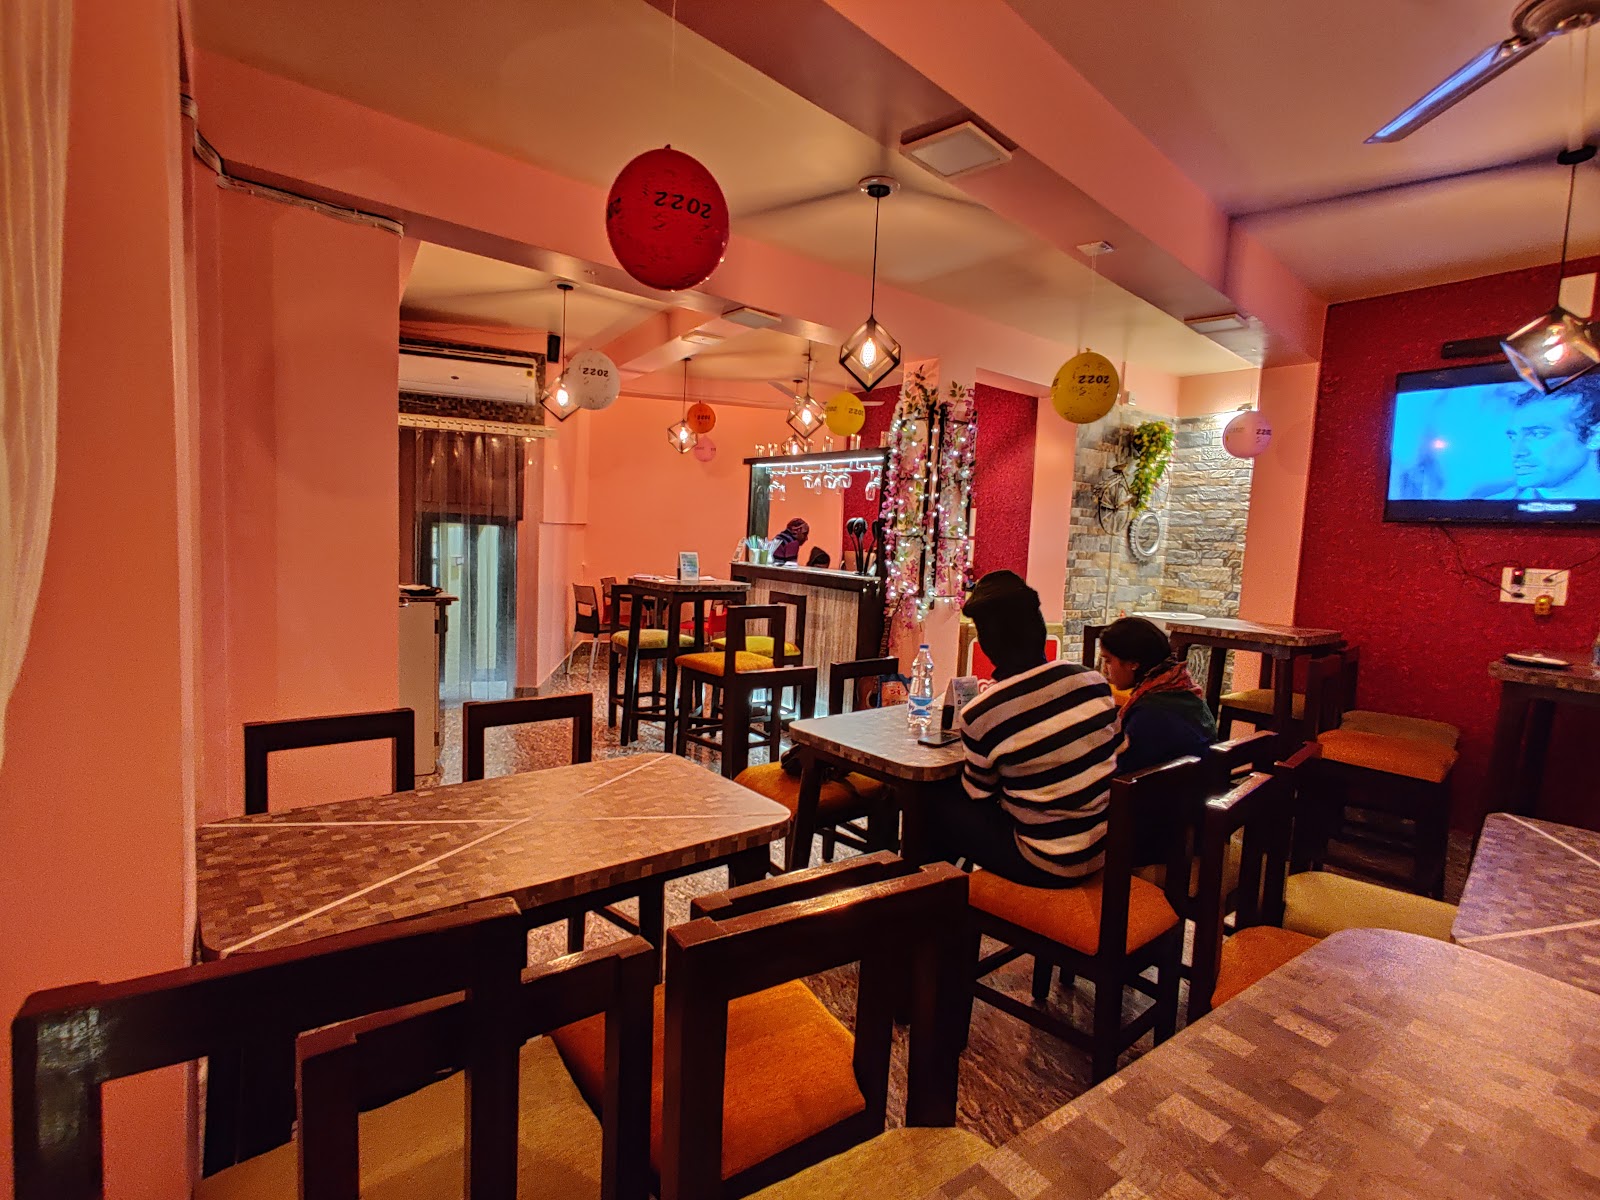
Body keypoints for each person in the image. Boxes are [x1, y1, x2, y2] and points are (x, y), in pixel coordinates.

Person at [926, 570, 1122, 886]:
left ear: (986, 644)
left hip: (1046, 862)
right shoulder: (1092, 681)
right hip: (1101, 849)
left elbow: (978, 793)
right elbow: (1117, 752)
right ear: (1040, 628)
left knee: (935, 805)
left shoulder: (983, 712)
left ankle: (926, 899)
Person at [1096, 617, 1216, 777]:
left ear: (1133, 663)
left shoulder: (1148, 713)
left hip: (1170, 789)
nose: (1105, 670)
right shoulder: (1184, 689)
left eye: (1108, 661)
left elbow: (1123, 771)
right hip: (1200, 783)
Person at [1487, 385, 1600, 499]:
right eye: (1513, 438)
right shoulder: (1492, 505)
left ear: (1595, 436)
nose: (1516, 452)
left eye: (1538, 434)